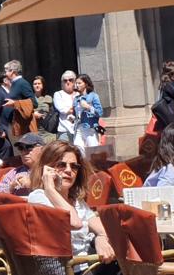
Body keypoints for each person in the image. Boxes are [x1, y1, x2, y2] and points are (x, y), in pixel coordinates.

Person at [27, 140, 114, 273]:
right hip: (69, 269)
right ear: (46, 169)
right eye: (61, 165)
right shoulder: (39, 197)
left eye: (74, 166)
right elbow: (74, 222)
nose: (68, 170)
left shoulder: (76, 201)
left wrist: (100, 238)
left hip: (89, 264)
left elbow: (103, 229)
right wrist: (50, 189)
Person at [3, 60, 37, 142]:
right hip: (16, 126)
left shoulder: (22, 83)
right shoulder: (14, 83)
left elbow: (34, 102)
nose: (5, 73)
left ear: (12, 71)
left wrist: (15, 103)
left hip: (24, 127)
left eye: (6, 71)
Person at [73, 74, 103, 149]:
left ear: (86, 84)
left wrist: (88, 107)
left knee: (93, 152)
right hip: (78, 128)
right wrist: (72, 117)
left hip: (90, 129)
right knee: (78, 150)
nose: (77, 85)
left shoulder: (93, 96)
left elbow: (100, 112)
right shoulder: (76, 99)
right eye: (76, 83)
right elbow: (76, 114)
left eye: (79, 83)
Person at [52, 71, 79, 143]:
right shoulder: (58, 94)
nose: (68, 82)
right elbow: (63, 110)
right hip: (64, 130)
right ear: (62, 83)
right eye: (65, 80)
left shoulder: (79, 94)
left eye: (70, 80)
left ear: (75, 81)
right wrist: (76, 109)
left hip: (79, 130)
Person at [32, 75, 57, 143]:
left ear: (43, 85)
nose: (37, 85)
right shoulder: (30, 99)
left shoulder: (48, 98)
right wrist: (33, 115)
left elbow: (55, 112)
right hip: (35, 130)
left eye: (39, 83)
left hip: (48, 130)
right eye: (35, 84)